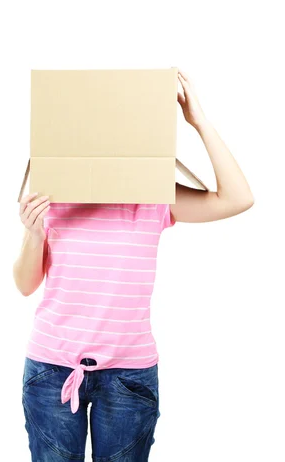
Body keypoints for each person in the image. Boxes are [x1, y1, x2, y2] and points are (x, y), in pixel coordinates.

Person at [14, 70, 253, 461]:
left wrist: (199, 123)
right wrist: (34, 232)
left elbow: (237, 198)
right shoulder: (54, 189)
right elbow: (25, 285)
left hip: (129, 375)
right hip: (51, 369)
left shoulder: (153, 196)